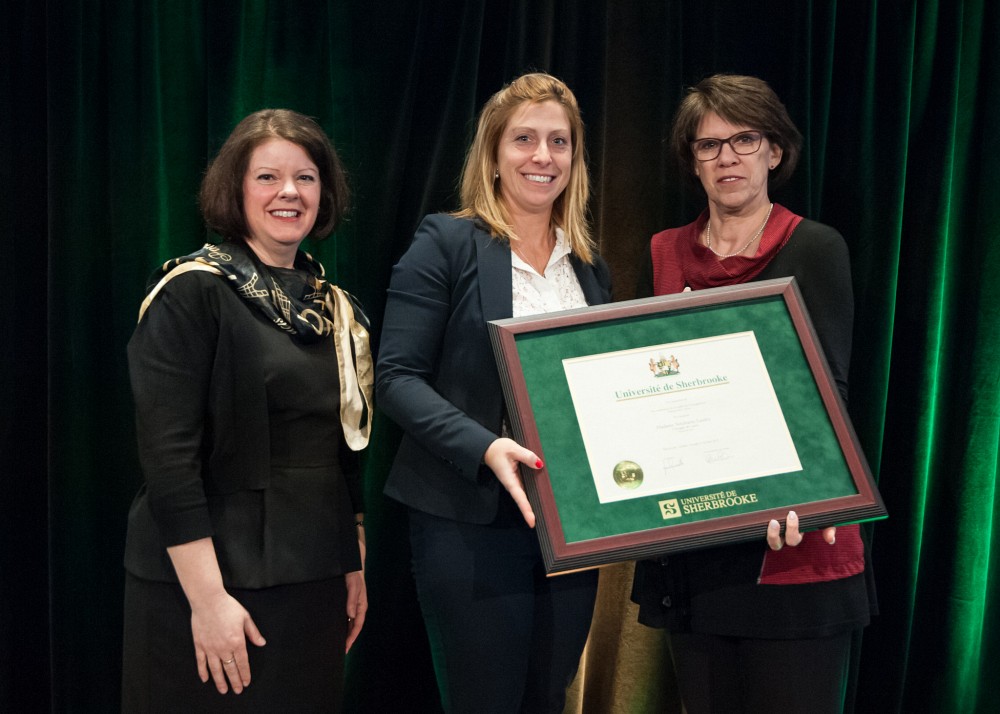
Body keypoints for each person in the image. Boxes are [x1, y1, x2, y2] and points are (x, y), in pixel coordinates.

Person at [631, 74, 876, 713]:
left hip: (789, 542)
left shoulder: (815, 247)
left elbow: (829, 394)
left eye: (745, 139)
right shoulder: (664, 254)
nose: (727, 157)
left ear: (774, 151)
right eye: (708, 145)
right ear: (691, 160)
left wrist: (797, 497)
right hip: (695, 548)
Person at [121, 109, 372, 712]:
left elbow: (344, 446)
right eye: (268, 177)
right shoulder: (190, 291)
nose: (289, 192)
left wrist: (352, 558)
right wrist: (208, 602)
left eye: (306, 178)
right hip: (205, 583)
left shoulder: (335, 307)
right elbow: (168, 461)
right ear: (235, 189)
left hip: (313, 578)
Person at [376, 73, 612, 714]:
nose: (543, 156)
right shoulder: (446, 243)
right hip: (469, 521)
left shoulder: (586, 265)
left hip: (570, 526)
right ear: (494, 154)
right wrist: (486, 447)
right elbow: (394, 377)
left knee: (548, 697)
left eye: (559, 142)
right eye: (525, 139)